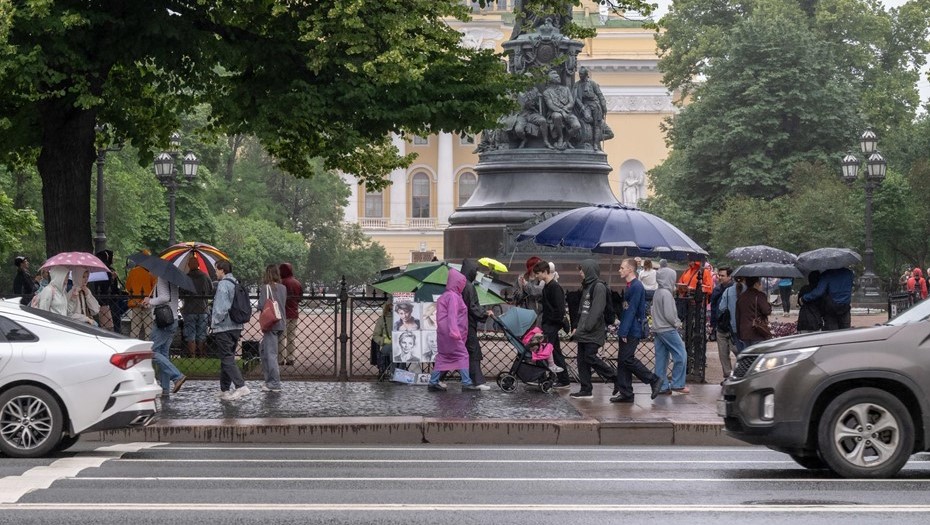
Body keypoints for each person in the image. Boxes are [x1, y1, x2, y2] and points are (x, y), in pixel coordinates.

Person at [611, 258, 663, 403]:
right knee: (622, 360)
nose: (619, 270)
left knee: (627, 359)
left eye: (622, 268)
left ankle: (653, 380)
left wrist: (623, 331)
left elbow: (632, 310)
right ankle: (626, 392)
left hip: (631, 329)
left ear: (630, 269)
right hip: (629, 327)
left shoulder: (636, 286)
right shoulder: (631, 285)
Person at [569, 259, 617, 399]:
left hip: (593, 331)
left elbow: (596, 310)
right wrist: (577, 327)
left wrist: (587, 327)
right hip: (584, 330)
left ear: (589, 271)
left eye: (582, 270)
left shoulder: (598, 287)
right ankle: (586, 388)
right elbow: (581, 310)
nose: (580, 273)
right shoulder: (586, 287)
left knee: (590, 357)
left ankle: (615, 377)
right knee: (581, 360)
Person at [428, 268, 473, 392]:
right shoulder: (454, 297)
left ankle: (433, 382)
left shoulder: (445, 296)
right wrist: (455, 331)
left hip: (443, 334)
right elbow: (452, 315)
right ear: (458, 283)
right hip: (452, 334)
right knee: (462, 355)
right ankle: (466, 382)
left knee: (443, 356)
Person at [141, 275, 187, 397]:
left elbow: (165, 297)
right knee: (163, 354)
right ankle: (165, 389)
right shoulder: (173, 279)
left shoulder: (162, 278)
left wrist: (149, 301)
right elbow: (170, 299)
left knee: (151, 352)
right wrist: (150, 304)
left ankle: (177, 376)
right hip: (173, 319)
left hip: (163, 321)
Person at [212, 259, 250, 401]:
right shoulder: (236, 283)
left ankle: (241, 386)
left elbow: (221, 308)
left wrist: (214, 322)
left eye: (216, 269)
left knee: (227, 358)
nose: (215, 272)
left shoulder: (223, 285)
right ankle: (225, 389)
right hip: (236, 326)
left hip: (224, 327)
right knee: (227, 357)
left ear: (222, 270)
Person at [650, 266, 688, 395]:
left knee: (661, 359)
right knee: (681, 354)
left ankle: (662, 385)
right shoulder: (666, 294)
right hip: (667, 329)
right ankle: (678, 384)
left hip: (658, 329)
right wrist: (677, 323)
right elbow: (670, 314)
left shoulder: (658, 292)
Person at [534, 259, 571, 388]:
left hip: (551, 324)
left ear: (545, 272)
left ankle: (544, 377)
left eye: (538, 273)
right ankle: (563, 379)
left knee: (546, 351)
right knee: (554, 352)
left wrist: (552, 322)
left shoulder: (554, 287)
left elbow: (559, 309)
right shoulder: (548, 286)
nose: (536, 276)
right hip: (550, 324)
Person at [461, 259, 493, 391]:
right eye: (476, 271)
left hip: (463, 324)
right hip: (468, 325)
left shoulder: (462, 285)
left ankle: (436, 379)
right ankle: (477, 381)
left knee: (455, 354)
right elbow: (473, 307)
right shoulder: (469, 286)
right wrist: (485, 313)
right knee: (473, 352)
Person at [257, 264, 286, 393]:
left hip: (271, 324)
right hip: (280, 322)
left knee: (270, 353)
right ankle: (270, 381)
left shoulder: (265, 288)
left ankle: (274, 383)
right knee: (265, 350)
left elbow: (262, 305)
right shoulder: (283, 288)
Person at [180, 255, 213, 358]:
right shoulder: (205, 276)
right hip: (203, 309)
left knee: (191, 334)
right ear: (198, 265)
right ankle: (202, 356)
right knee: (202, 334)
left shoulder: (186, 278)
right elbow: (211, 290)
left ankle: (192, 356)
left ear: (189, 266)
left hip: (189, 309)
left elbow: (181, 293)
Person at [542, 69, 581, 149]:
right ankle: (560, 137)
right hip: (554, 112)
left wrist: (565, 109)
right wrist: (561, 111)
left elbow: (571, 102)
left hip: (568, 112)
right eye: (556, 77)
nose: (559, 78)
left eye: (558, 76)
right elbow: (550, 105)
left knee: (577, 126)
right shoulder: (547, 92)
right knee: (557, 116)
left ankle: (566, 140)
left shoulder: (566, 89)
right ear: (551, 79)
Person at [712, 267, 739, 379]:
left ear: (729, 276)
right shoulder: (717, 289)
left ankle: (739, 374)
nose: (720, 277)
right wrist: (714, 324)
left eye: (723, 275)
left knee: (738, 352)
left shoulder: (735, 289)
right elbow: (714, 308)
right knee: (723, 355)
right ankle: (728, 376)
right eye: (719, 275)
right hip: (721, 326)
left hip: (732, 327)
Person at [574, 66, 609, 150]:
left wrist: (604, 106)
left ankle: (596, 144)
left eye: (582, 74)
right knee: (588, 119)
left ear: (586, 74)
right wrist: (581, 106)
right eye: (579, 74)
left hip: (594, 105)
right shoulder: (577, 85)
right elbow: (576, 98)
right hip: (584, 105)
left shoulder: (592, 83)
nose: (580, 76)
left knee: (596, 125)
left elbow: (599, 94)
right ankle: (586, 139)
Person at [125, 250, 157, 340]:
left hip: (135, 303)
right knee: (148, 329)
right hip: (147, 303)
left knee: (135, 329)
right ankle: (148, 348)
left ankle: (133, 347)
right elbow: (154, 288)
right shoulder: (151, 272)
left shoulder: (132, 272)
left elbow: (128, 287)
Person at [736, 276, 773, 348]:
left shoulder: (741, 296)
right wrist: (768, 304)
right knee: (758, 356)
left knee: (749, 356)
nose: (761, 285)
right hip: (757, 331)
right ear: (756, 284)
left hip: (744, 332)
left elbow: (737, 316)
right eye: (760, 283)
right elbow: (766, 311)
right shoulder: (760, 295)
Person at [278, 262, 303, 366]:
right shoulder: (297, 283)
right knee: (291, 337)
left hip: (283, 313)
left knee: (281, 337)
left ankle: (280, 359)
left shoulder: (281, 282)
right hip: (294, 313)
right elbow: (300, 298)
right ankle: (290, 358)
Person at [371, 301, 393, 380]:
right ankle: (393, 373)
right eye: (392, 304)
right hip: (386, 345)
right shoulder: (382, 319)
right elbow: (375, 336)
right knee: (393, 350)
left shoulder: (405, 319)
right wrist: (384, 340)